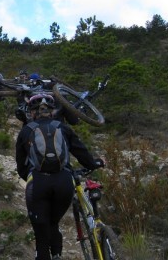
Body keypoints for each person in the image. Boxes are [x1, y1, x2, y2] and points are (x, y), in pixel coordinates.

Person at [15, 94, 104, 260]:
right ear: (52, 111)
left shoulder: (26, 131)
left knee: (41, 233)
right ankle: (57, 254)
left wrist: (30, 174)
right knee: (53, 223)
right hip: (63, 182)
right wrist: (93, 164)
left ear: (32, 112)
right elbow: (82, 153)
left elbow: (21, 166)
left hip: (39, 184)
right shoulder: (63, 128)